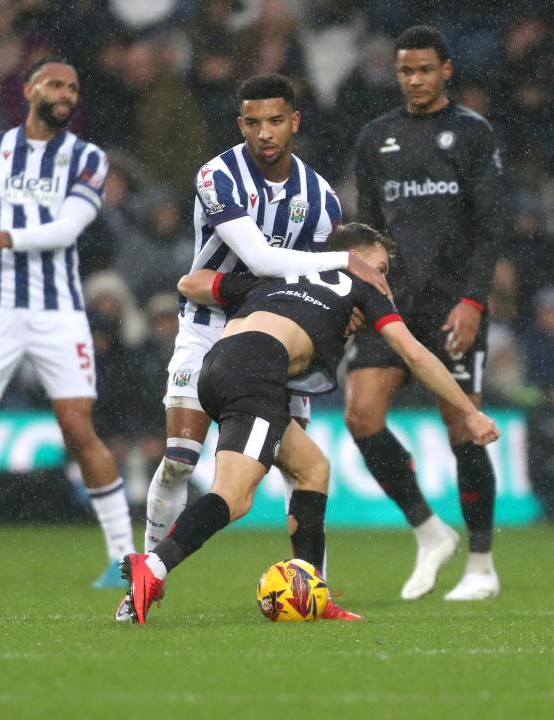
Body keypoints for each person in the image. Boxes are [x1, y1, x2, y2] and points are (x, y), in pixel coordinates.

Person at [121, 223, 499, 624]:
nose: (383, 278)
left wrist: (266, 292)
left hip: (218, 364)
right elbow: (415, 355)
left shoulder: (284, 274)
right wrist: (469, 413)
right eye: (382, 266)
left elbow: (190, 284)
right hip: (257, 370)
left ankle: (312, 590)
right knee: (234, 497)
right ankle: (154, 567)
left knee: (312, 468)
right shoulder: (362, 285)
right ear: (356, 256)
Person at [141, 73, 388, 564]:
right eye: (252, 123)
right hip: (207, 327)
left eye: (276, 121)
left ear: (294, 121)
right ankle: (145, 572)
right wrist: (345, 262)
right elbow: (260, 259)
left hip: (270, 340)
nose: (264, 133)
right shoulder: (218, 176)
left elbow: (313, 286)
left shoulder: (322, 200)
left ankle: (309, 585)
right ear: (240, 124)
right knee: (179, 461)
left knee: (304, 469)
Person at [0, 56, 135, 591]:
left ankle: (124, 558)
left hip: (58, 310)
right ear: (29, 88)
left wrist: (8, 238)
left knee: (79, 428)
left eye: (74, 87)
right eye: (57, 84)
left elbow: (67, 230)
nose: (67, 94)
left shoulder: (87, 159)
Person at [345, 26, 507, 601]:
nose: (413, 80)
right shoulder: (376, 137)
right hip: (393, 303)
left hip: (452, 304)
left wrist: (472, 302)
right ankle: (428, 529)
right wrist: (360, 294)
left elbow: (491, 229)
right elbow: (367, 232)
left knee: (464, 426)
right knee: (361, 416)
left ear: (446, 71)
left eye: (423, 70)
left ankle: (482, 567)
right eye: (404, 71)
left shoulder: (470, 133)